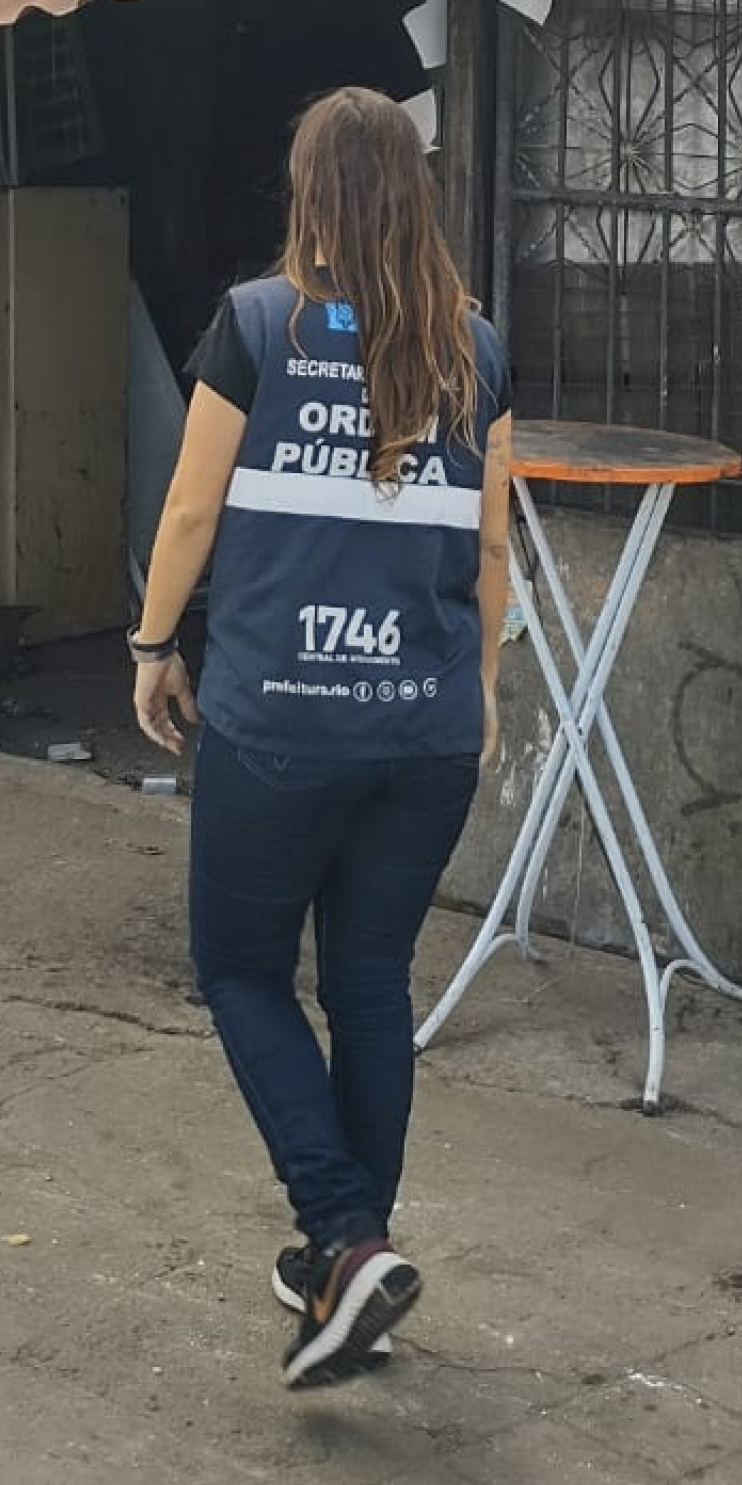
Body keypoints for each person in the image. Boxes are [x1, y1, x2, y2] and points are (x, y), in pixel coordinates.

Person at [131, 86, 511, 1390]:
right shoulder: (476, 346)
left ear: (310, 197)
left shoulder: (256, 326)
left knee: (241, 968)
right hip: (427, 733)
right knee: (367, 985)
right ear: (416, 192)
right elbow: (493, 547)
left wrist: (149, 641)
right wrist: (490, 691)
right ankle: (354, 1270)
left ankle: (344, 1241)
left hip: (280, 720)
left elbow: (191, 512)